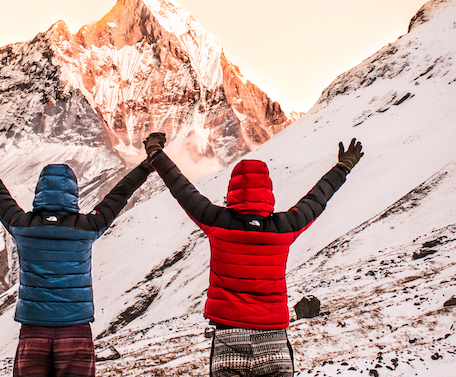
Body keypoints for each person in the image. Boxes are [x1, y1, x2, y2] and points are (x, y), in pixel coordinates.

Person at [143, 133, 363, 377]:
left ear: (233, 190)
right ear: (268, 191)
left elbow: (181, 188)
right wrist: (343, 167)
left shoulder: (217, 221)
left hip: (229, 338)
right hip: (274, 340)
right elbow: (317, 198)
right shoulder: (285, 226)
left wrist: (156, 153)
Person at [0, 130, 154, 377]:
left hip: (32, 331)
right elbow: (119, 194)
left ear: (39, 194)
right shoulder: (87, 227)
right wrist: (146, 166)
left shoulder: (22, 225)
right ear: (74, 195)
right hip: (76, 331)